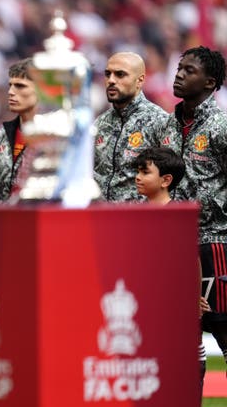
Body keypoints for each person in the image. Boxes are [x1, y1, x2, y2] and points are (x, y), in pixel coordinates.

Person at [160, 45, 227, 384]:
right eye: (179, 68)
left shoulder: (222, 126)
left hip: (214, 243)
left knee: (221, 327)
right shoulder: (166, 126)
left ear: (210, 82)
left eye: (189, 71)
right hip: (173, 246)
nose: (179, 74)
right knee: (182, 337)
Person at [131, 146, 207, 397]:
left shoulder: (177, 216)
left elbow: (191, 260)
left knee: (185, 362)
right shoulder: (136, 215)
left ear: (166, 180)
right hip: (147, 304)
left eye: (145, 172)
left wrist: (194, 299)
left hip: (174, 305)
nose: (138, 177)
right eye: (137, 172)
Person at [93, 51, 169, 202]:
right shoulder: (100, 123)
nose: (111, 80)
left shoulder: (160, 121)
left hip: (139, 220)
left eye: (120, 74)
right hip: (100, 218)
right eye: (108, 74)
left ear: (139, 81)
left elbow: (172, 182)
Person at [0, 58, 37, 202]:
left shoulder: (54, 136)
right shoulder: (3, 133)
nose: (10, 92)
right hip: (6, 219)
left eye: (20, 86)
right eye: (10, 86)